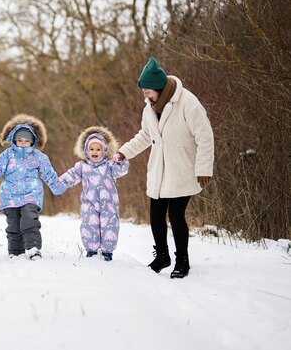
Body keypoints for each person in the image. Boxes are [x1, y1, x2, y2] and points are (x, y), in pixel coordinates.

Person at [116, 57, 214, 278]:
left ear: (160, 88)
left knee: (176, 215)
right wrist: (124, 152)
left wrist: (204, 168)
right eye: (144, 92)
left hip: (182, 168)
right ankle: (162, 256)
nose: (145, 96)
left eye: (148, 92)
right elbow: (145, 135)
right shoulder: (149, 108)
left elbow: (205, 136)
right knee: (156, 215)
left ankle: (182, 261)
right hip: (159, 169)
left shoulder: (187, 102)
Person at [0, 114, 65, 260]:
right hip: (10, 196)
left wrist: (57, 187)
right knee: (13, 225)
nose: (23, 143)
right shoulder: (7, 155)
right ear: (14, 140)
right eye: (20, 140)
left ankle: (33, 248)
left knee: (29, 219)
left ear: (32, 141)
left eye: (27, 141)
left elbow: (49, 173)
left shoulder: (39, 157)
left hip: (31, 195)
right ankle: (15, 253)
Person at [58, 126, 130, 262]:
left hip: (109, 203)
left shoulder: (109, 165)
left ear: (104, 150)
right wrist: (60, 183)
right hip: (89, 203)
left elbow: (122, 170)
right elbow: (71, 175)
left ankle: (107, 251)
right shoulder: (82, 166)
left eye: (98, 149)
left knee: (109, 225)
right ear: (86, 151)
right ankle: (91, 249)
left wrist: (121, 160)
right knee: (89, 225)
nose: (95, 152)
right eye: (91, 149)